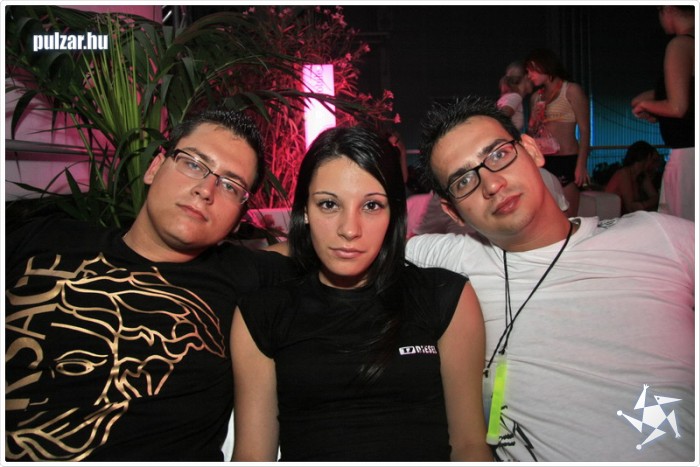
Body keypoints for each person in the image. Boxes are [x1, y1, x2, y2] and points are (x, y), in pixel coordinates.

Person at [406, 96, 694, 462]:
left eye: (498, 155)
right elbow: (361, 241)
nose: (492, 184)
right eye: (464, 180)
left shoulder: (658, 236)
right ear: (453, 212)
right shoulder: (454, 258)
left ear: (531, 150)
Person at [5, 109, 295, 461]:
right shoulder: (43, 237)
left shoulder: (242, 274)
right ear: (155, 167)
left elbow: (325, 245)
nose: (205, 190)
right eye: (193, 164)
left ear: (238, 219)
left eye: (230, 186)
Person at [231, 126, 492, 462]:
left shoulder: (444, 297)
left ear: (393, 213)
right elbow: (253, 456)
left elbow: (469, 444)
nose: (349, 229)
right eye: (328, 204)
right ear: (305, 210)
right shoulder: (263, 314)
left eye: (371, 205)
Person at [631, 5, 694, 222]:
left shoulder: (681, 44)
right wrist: (655, 101)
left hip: (688, 155)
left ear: (667, 9)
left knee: (683, 228)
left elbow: (678, 107)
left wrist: (645, 106)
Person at [526, 48, 591, 218]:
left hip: (567, 158)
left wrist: (581, 165)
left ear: (545, 67)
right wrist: (533, 120)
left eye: (532, 70)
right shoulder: (536, 97)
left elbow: (585, 130)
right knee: (546, 213)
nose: (529, 75)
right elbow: (531, 134)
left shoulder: (571, 90)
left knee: (569, 214)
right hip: (544, 160)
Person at [604, 140, 660, 214]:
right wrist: (646, 204)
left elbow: (656, 197)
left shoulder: (642, 175)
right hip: (612, 216)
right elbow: (631, 207)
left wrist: (643, 205)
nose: (657, 165)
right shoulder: (624, 174)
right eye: (654, 160)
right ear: (648, 157)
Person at [496, 60, 534, 133]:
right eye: (531, 78)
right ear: (526, 77)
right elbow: (502, 116)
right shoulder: (515, 97)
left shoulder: (511, 96)